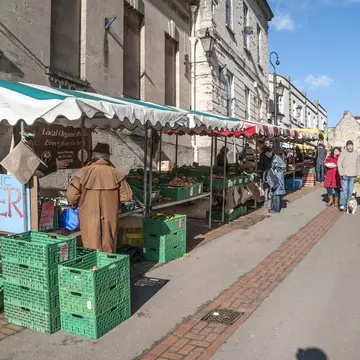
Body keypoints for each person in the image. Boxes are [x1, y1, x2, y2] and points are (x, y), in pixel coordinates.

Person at [66, 143, 133, 253]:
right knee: (108, 244)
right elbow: (127, 196)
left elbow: (71, 195)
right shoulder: (116, 173)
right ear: (108, 157)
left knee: (91, 244)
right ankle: (108, 267)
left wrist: (73, 203)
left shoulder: (83, 172)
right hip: (110, 215)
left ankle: (93, 267)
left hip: (88, 215)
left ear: (94, 156)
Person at [259, 146, 286, 213]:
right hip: (274, 177)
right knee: (274, 192)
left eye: (268, 154)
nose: (267, 156)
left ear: (270, 152)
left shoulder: (276, 158)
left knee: (276, 193)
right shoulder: (271, 158)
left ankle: (276, 209)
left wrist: (276, 166)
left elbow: (284, 165)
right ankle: (274, 208)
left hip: (277, 177)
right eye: (266, 155)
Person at [337, 140, 360, 211]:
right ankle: (342, 205)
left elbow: (358, 164)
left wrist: (358, 173)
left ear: (353, 146)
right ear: (346, 146)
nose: (350, 147)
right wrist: (341, 172)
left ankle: (348, 204)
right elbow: (339, 163)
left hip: (353, 175)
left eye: (351, 145)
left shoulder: (356, 153)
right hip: (345, 174)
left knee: (350, 191)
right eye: (348, 146)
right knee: (344, 190)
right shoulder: (343, 153)